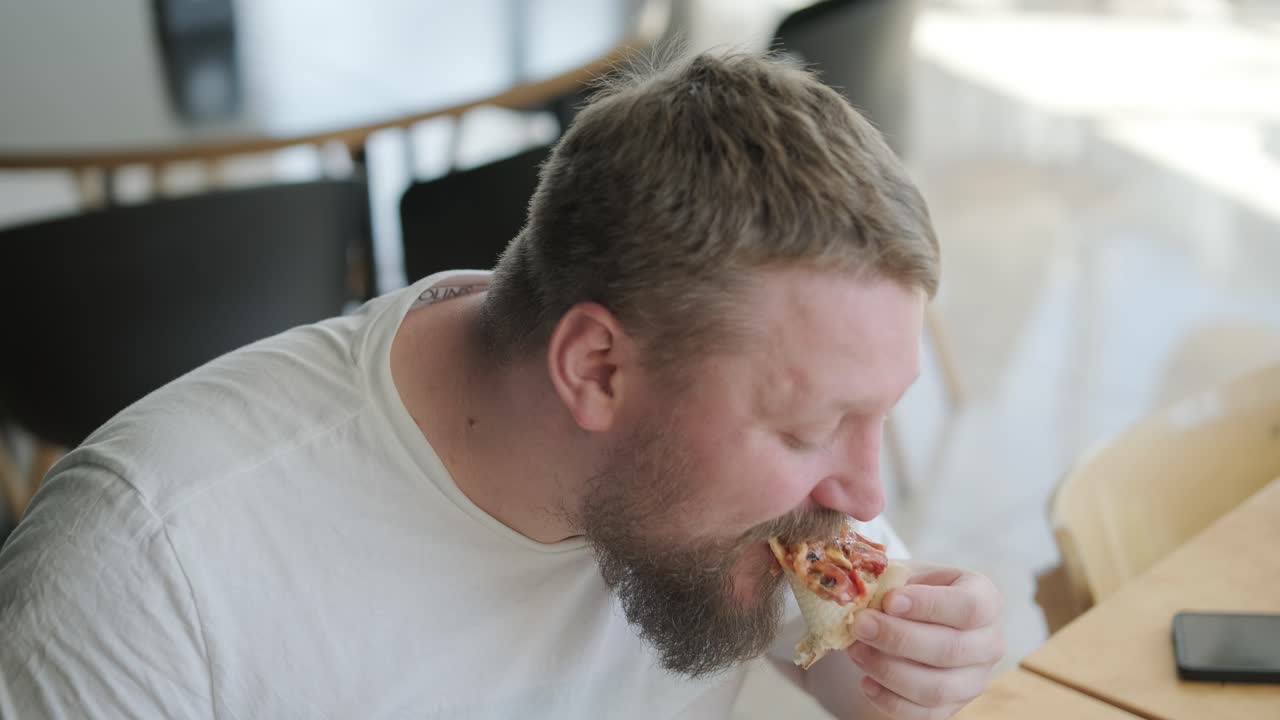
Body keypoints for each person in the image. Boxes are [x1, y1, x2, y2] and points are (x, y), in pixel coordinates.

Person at [0, 52, 1003, 719]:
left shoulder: (750, 510)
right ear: (595, 371)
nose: (867, 495)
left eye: (877, 417)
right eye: (808, 428)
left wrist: (914, 668)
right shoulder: (148, 575)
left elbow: (858, 672)